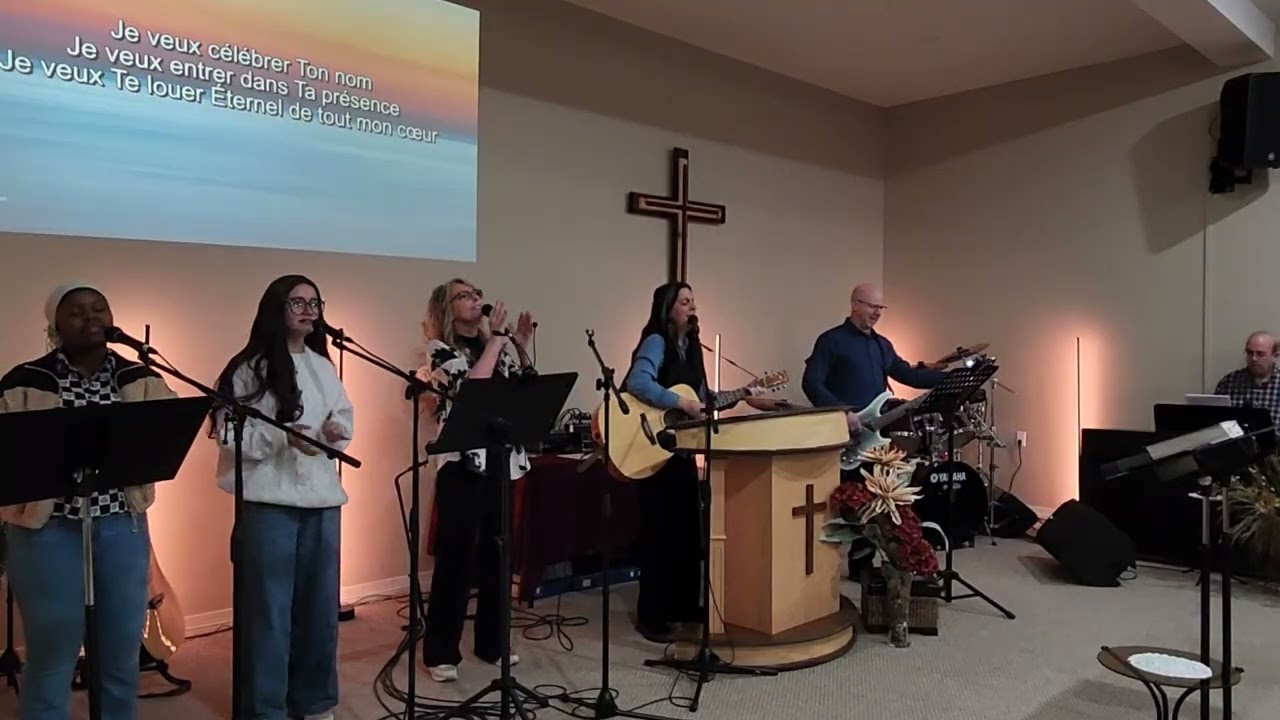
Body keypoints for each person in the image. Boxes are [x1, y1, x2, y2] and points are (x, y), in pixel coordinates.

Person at [0, 282, 176, 720]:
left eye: (99, 308)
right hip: (46, 531)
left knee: (120, 654)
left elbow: (167, 430)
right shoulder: (25, 381)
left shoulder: (140, 378)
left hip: (120, 527)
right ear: (55, 325)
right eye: (76, 311)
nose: (91, 317)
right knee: (52, 654)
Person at [212, 274, 353, 720]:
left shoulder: (322, 365)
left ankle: (313, 700)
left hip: (321, 500)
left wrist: (336, 431)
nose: (309, 310)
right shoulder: (248, 368)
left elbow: (343, 416)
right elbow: (228, 435)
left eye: (315, 302)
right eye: (298, 302)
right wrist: (282, 439)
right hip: (269, 503)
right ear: (277, 308)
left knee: (319, 610)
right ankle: (265, 707)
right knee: (268, 613)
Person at [622, 282, 780, 642]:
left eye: (693, 302)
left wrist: (744, 393)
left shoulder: (693, 347)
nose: (692, 308)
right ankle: (652, 616)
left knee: (687, 532)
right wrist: (680, 403)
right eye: (684, 302)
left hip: (682, 450)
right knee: (660, 534)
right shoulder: (656, 341)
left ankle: (683, 605)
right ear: (667, 308)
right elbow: (637, 383)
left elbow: (704, 398)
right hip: (652, 448)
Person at [418, 278, 534, 682]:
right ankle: (440, 652)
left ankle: (492, 643)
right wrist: (498, 341)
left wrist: (519, 343)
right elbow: (471, 388)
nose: (475, 300)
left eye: (476, 294)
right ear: (446, 308)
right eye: (464, 296)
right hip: (462, 463)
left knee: (498, 554)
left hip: (499, 458)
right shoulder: (440, 350)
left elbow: (520, 388)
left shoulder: (493, 345)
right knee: (457, 558)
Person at [802, 283, 945, 433]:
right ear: (855, 305)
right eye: (872, 306)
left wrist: (952, 377)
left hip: (876, 429)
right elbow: (811, 383)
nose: (877, 313)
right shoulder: (830, 340)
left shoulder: (882, 344)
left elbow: (909, 375)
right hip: (842, 430)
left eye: (881, 308)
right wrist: (842, 411)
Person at [1214, 331, 1280, 432]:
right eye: (1249, 353)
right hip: (1236, 441)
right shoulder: (1229, 382)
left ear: (1274, 356)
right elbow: (1214, 421)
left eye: (1260, 354)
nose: (1254, 358)